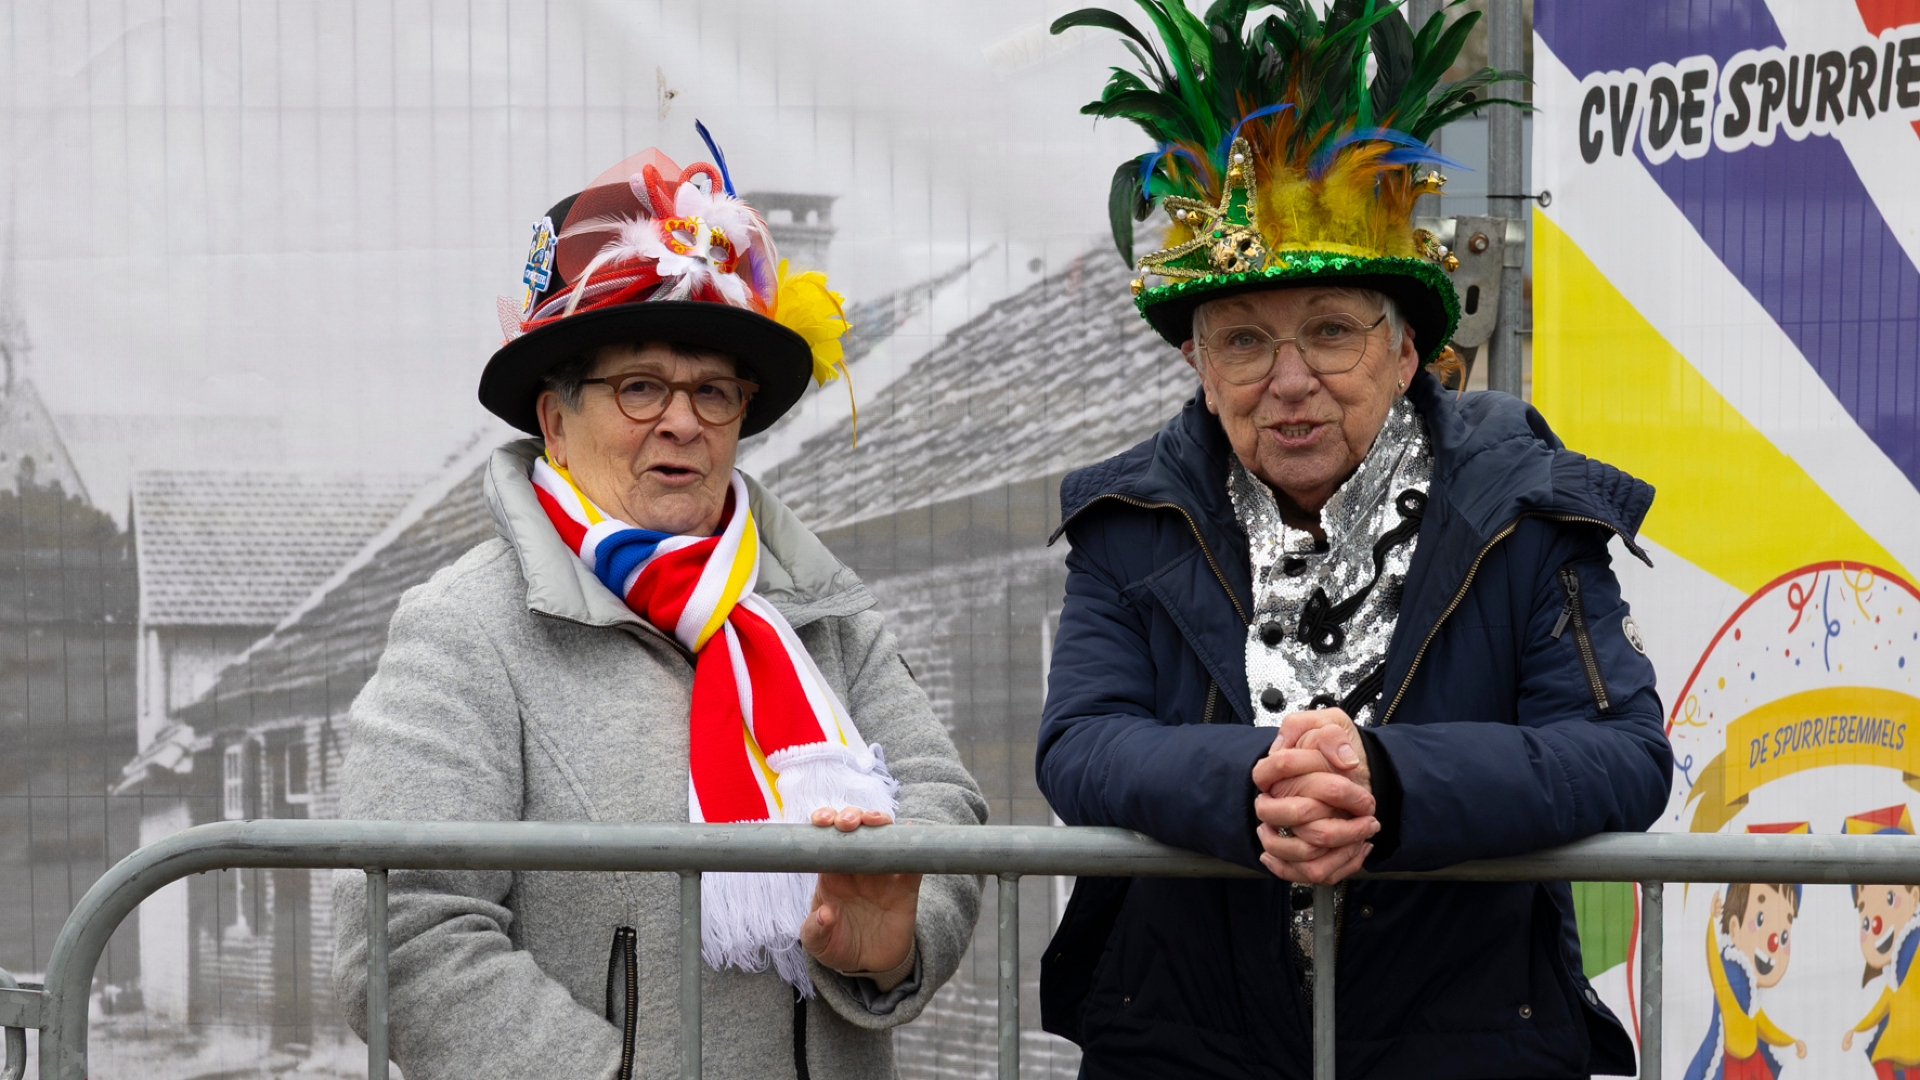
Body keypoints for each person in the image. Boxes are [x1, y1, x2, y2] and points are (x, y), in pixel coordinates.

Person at [1034, 4, 1672, 1076]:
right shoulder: (1129, 521)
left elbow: (1620, 756)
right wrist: (1263, 783)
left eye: (1331, 329)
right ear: (1199, 366)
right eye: (1245, 342)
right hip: (1184, 1042)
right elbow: (1081, 745)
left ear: (1407, 349)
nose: (1289, 382)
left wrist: (1387, 781)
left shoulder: (1525, 507)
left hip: (1465, 1045)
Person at [331, 138, 987, 1080]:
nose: (682, 421)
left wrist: (892, 940)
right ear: (555, 421)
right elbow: (406, 935)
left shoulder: (821, 613)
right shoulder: (465, 629)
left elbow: (943, 804)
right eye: (639, 386)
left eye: (713, 391)